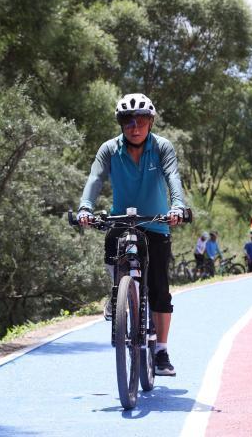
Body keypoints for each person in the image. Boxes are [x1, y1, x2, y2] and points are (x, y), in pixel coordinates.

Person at [77, 92, 186, 377]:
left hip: (157, 223)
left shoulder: (162, 147)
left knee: (160, 290)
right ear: (121, 124)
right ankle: (118, 296)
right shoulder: (109, 150)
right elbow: (95, 178)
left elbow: (173, 177)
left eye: (141, 120)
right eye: (127, 120)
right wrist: (85, 208)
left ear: (150, 122)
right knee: (112, 250)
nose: (134, 126)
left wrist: (178, 206)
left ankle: (161, 350)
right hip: (122, 219)